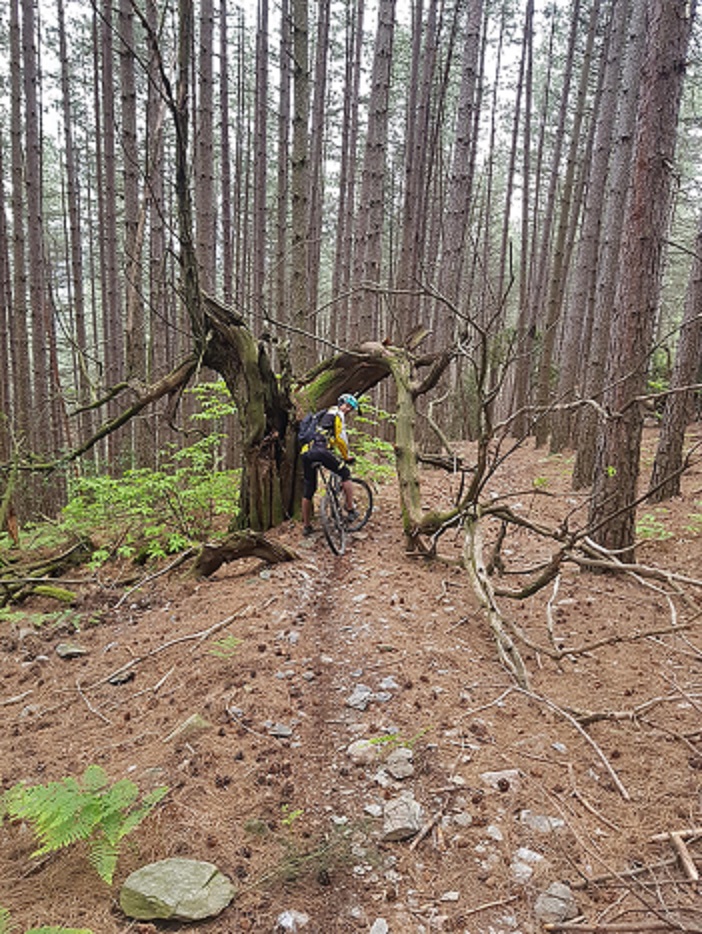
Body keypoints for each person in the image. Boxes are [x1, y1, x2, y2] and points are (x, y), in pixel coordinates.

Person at [301, 393, 359, 536]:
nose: (347, 410)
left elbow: (328, 437)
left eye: (350, 408)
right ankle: (351, 510)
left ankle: (307, 526)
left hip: (306, 452)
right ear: (341, 404)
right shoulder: (337, 414)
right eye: (347, 406)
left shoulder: (321, 415)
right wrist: (346, 456)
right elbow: (340, 437)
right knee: (345, 473)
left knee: (309, 489)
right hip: (320, 451)